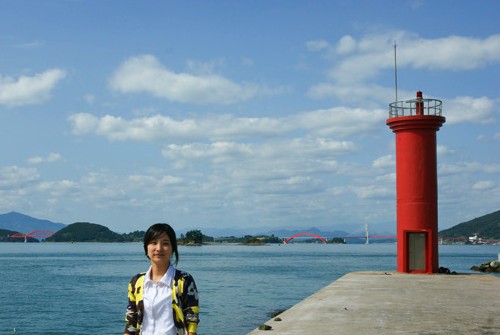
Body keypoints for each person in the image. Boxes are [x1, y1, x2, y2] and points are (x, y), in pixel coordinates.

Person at [124, 223, 199, 335]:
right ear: (146, 247)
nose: (158, 248)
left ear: (173, 248)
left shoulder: (184, 280)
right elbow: (131, 321)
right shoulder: (136, 282)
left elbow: (192, 319)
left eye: (165, 243)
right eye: (153, 243)